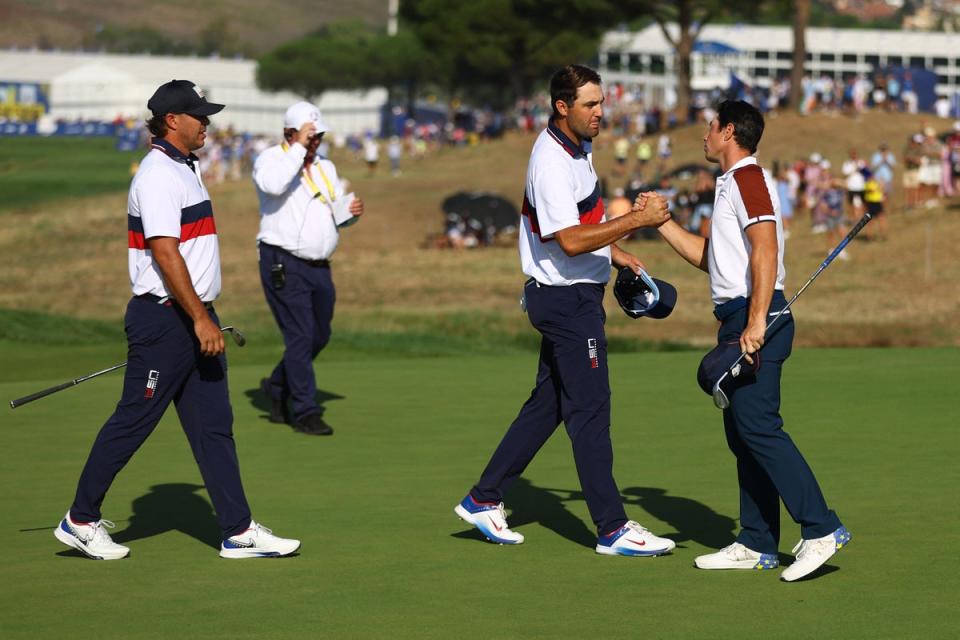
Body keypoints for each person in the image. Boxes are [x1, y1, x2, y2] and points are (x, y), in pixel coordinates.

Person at [54, 80, 300, 561]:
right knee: (134, 420)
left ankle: (238, 530)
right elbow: (165, 255)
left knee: (214, 427)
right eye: (198, 115)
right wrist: (200, 320)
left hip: (194, 316)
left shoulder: (184, 168)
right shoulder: (157, 175)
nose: (207, 122)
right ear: (172, 120)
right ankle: (80, 520)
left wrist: (206, 316)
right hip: (165, 320)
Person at [453, 64, 675, 556]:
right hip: (566, 302)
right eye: (590, 104)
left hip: (573, 294)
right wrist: (636, 220)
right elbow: (570, 240)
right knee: (591, 410)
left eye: (601, 102)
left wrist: (617, 253)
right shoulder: (551, 159)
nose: (601, 112)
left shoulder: (579, 147)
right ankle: (612, 529)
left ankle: (483, 497)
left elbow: (576, 227)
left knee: (549, 404)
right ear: (562, 107)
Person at [655, 100, 850, 582]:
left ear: (727, 132)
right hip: (738, 316)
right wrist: (658, 224)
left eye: (709, 127)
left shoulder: (747, 177)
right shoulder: (729, 184)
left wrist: (757, 321)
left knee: (759, 427)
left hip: (757, 316)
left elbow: (765, 246)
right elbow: (712, 259)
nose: (703, 135)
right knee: (743, 434)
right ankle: (757, 541)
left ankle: (821, 528)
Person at [253, 101, 364, 436]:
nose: (316, 140)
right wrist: (299, 148)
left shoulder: (325, 167)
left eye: (318, 135)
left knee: (319, 334)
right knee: (300, 335)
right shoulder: (271, 159)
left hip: (319, 265)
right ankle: (304, 411)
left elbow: (333, 215)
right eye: (309, 134)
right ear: (290, 133)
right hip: (283, 260)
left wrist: (351, 213)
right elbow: (274, 186)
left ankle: (277, 385)